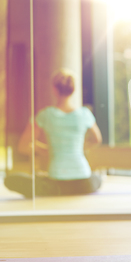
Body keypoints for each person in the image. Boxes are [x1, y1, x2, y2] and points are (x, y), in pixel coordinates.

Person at [4, 69, 103, 197]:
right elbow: (97, 140)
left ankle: (53, 189)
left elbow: (23, 146)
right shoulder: (85, 114)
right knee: (97, 179)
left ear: (54, 90)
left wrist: (45, 149)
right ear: (74, 90)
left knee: (10, 180)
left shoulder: (45, 115)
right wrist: (78, 148)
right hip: (83, 181)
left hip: (56, 180)